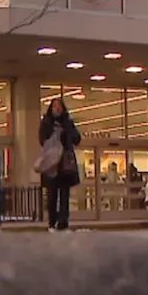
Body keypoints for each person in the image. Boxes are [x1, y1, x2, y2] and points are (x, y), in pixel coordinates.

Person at [38, 98, 82, 231]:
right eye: (54, 106)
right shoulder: (46, 123)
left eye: (59, 106)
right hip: (52, 164)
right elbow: (42, 140)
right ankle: (52, 221)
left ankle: (63, 222)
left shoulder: (68, 123)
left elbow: (77, 139)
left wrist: (68, 130)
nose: (57, 109)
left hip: (65, 165)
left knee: (64, 195)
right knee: (52, 195)